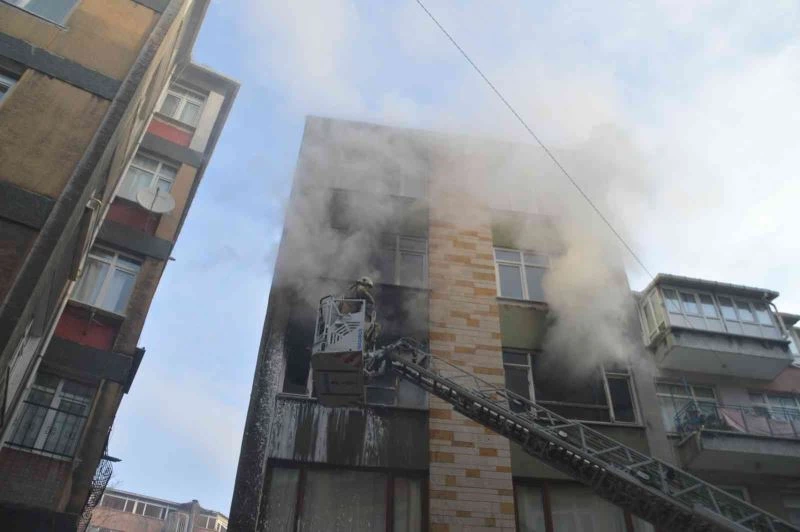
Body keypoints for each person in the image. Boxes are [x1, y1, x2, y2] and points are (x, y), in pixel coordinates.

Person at [345, 276, 381, 352]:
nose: (368, 289)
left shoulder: (351, 289)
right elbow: (371, 300)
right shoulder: (360, 288)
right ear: (364, 283)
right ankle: (367, 344)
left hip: (348, 314)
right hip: (354, 314)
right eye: (368, 287)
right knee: (376, 326)